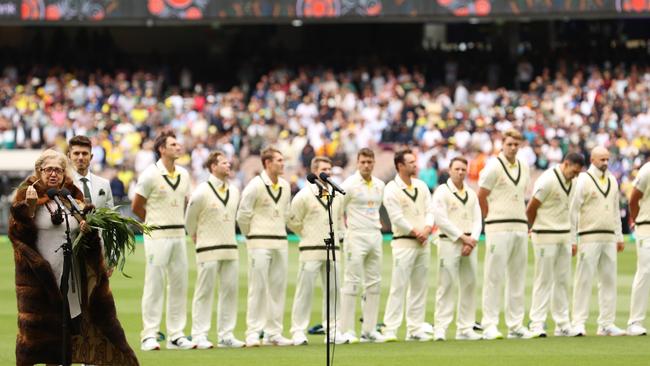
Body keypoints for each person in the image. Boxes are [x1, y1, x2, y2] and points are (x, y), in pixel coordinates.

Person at [9, 149, 138, 366]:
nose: (53, 174)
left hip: (70, 279)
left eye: (58, 170)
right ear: (39, 171)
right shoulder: (27, 196)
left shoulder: (71, 197)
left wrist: (86, 229)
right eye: (48, 169)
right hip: (40, 281)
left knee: (67, 337)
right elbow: (19, 236)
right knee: (38, 340)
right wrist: (29, 209)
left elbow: (84, 238)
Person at [132, 131, 195, 351]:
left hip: (179, 234)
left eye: (179, 143)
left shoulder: (184, 174)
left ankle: (176, 335)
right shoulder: (150, 174)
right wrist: (153, 223)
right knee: (155, 284)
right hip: (157, 235)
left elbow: (186, 203)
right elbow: (136, 206)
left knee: (179, 284)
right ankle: (149, 334)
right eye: (173, 144)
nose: (179, 147)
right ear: (162, 149)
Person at [478, 129, 534, 340]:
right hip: (498, 226)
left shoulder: (524, 166)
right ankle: (489, 324)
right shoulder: (493, 166)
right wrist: (490, 217)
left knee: (517, 276)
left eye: (516, 144)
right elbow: (481, 195)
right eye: (509, 144)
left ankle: (515, 324)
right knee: (494, 276)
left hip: (519, 225)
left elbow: (521, 194)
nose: (512, 148)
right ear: (502, 144)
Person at [185, 151, 245, 349]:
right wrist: (195, 236)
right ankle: (199, 334)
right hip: (208, 248)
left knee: (230, 291)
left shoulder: (235, 191)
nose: (228, 165)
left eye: (229, 162)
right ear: (213, 167)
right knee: (205, 292)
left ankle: (226, 334)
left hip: (230, 247)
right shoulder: (202, 191)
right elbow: (189, 218)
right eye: (223, 163)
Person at [237, 147, 293, 347]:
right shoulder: (255, 185)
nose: (282, 163)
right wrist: (250, 236)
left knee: (277, 288)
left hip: (280, 241)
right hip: (259, 242)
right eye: (279, 160)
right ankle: (253, 332)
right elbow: (243, 215)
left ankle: (274, 332)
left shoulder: (285, 186)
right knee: (258, 288)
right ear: (268, 163)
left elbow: (286, 213)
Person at [287, 156, 345, 345]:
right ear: (314, 170)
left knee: (333, 291)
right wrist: (306, 233)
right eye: (323, 169)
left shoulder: (336, 194)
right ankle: (298, 331)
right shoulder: (304, 195)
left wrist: (340, 237)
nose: (327, 172)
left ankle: (333, 329)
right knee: (305, 291)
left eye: (329, 168)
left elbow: (338, 221)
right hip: (311, 249)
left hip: (332, 249)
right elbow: (292, 220)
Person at [527, 153, 585, 337]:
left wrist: (572, 238)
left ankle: (562, 324)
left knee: (562, 280)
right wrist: (532, 228)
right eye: (574, 171)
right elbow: (531, 208)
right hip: (544, 235)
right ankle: (537, 322)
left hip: (564, 235)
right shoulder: (547, 180)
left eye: (578, 172)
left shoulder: (574, 182)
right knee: (544, 280)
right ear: (566, 164)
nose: (575, 175)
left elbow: (572, 212)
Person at [570, 146, 626, 336]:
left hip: (609, 236)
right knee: (584, 279)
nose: (605, 163)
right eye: (601, 159)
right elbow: (573, 210)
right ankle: (578, 322)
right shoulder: (583, 180)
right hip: (589, 235)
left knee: (609, 280)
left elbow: (616, 210)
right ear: (592, 160)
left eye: (607, 159)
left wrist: (619, 236)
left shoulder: (612, 180)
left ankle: (607, 323)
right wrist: (573, 238)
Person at [381, 149, 434, 342]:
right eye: (411, 162)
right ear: (400, 166)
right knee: (399, 286)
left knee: (419, 287)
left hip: (423, 243)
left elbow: (430, 210)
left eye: (415, 161)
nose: (415, 165)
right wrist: (415, 232)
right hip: (404, 243)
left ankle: (415, 327)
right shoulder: (391, 188)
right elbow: (396, 217)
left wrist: (427, 228)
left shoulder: (421, 185)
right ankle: (390, 328)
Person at [339, 148, 388, 343]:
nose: (366, 165)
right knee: (351, 283)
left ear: (374, 163)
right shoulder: (349, 184)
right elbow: (337, 209)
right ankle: (347, 329)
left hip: (375, 235)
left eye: (370, 162)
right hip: (356, 236)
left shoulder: (379, 185)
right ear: (357, 163)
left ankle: (369, 329)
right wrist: (344, 233)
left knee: (374, 284)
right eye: (363, 162)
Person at [431, 157, 483, 341]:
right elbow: (441, 219)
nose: (460, 172)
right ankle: (441, 327)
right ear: (450, 170)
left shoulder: (471, 193)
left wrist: (473, 240)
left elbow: (478, 219)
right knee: (445, 284)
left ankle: (465, 327)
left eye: (463, 169)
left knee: (469, 284)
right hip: (449, 242)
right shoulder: (442, 192)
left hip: (469, 244)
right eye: (457, 169)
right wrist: (462, 238)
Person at [628, 160, 650, 336]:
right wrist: (636, 219)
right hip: (646, 226)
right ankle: (635, 321)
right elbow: (634, 198)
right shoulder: (647, 170)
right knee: (645, 271)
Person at [68, 135, 114, 209]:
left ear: (91, 157)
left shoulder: (104, 184)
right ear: (69, 156)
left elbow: (110, 215)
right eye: (76, 153)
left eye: (84, 153)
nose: (80, 157)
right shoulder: (63, 185)